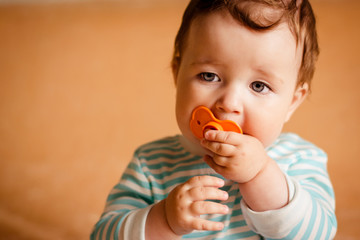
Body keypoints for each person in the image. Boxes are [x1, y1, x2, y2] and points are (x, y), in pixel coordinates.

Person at [90, 0, 337, 239]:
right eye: (209, 76)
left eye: (259, 86)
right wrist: (163, 220)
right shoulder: (151, 165)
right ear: (178, 75)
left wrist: (259, 175)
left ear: (292, 102)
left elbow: (320, 233)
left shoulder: (300, 159)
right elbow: (102, 235)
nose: (229, 103)